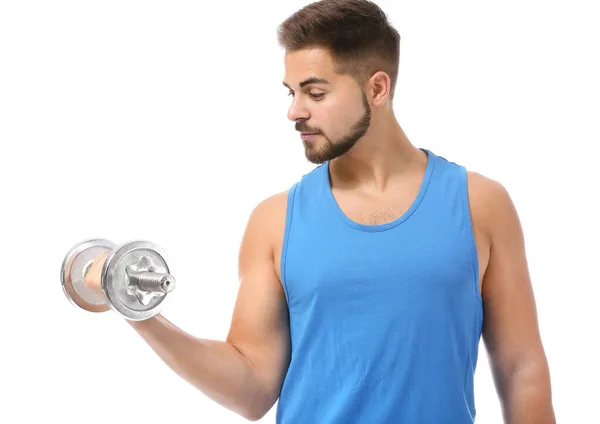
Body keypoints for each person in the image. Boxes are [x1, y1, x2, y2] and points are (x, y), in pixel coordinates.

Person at [86, 0, 556, 422]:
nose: (294, 111)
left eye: (315, 93)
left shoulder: (479, 203)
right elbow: (250, 389)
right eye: (290, 92)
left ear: (377, 88)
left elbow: (521, 367)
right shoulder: (275, 221)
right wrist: (137, 311)